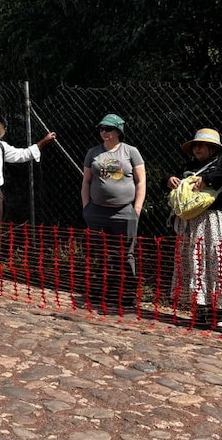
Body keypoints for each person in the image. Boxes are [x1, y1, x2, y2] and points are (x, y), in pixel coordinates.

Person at [167, 128, 222, 338]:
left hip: (219, 219)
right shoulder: (190, 167)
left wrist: (209, 179)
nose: (197, 149)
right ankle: (204, 311)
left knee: (221, 263)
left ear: (212, 147)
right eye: (195, 145)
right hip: (195, 222)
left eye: (201, 145)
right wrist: (170, 181)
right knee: (198, 264)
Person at [81, 114, 146, 307]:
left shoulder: (130, 151)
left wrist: (137, 209)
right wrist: (86, 207)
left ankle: (126, 295)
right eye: (101, 128)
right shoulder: (93, 152)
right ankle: (101, 292)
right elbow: (86, 180)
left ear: (118, 131)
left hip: (124, 211)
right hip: (96, 211)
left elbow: (141, 181)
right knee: (99, 252)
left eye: (108, 129)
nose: (104, 132)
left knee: (125, 254)